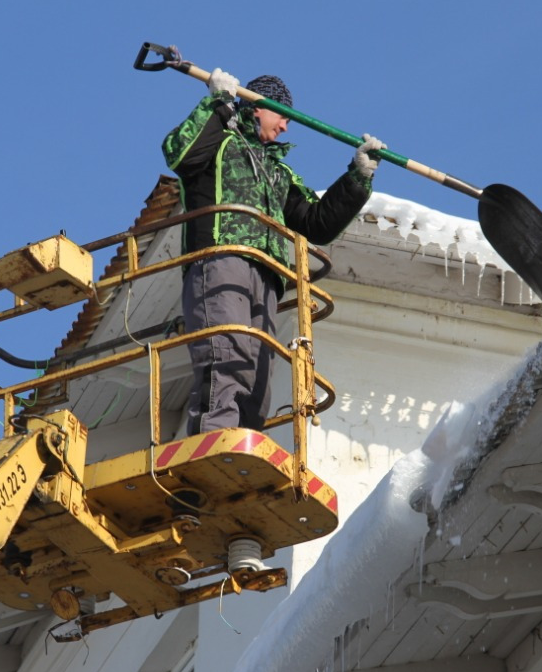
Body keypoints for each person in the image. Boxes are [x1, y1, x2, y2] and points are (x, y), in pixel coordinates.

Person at [162, 68, 385, 434]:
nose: (285, 127)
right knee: (227, 358)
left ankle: (244, 449)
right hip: (221, 262)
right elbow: (178, 153)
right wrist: (217, 102)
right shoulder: (218, 144)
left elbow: (318, 224)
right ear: (258, 107)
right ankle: (213, 442)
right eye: (282, 115)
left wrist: (358, 177)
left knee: (259, 376)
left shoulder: (278, 173)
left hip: (266, 278)